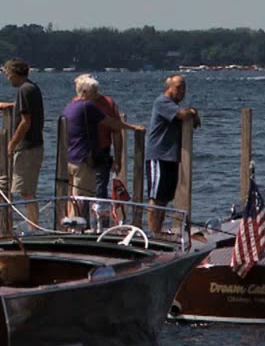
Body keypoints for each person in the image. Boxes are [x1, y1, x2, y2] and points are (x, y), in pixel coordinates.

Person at [62, 75, 142, 219]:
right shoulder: (88, 105)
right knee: (83, 196)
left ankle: (76, 223)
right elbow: (112, 123)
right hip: (85, 158)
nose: (97, 94)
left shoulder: (70, 106)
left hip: (71, 157)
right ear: (85, 92)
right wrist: (133, 127)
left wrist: (117, 158)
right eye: (94, 91)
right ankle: (77, 227)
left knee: (73, 195)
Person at [146, 75, 201, 234]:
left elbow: (192, 121)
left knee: (164, 198)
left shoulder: (175, 107)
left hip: (171, 157)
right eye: (178, 87)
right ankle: (153, 233)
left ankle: (158, 230)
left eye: (184, 87)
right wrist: (192, 111)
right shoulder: (162, 102)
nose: (182, 91)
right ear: (168, 87)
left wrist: (193, 113)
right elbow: (182, 115)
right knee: (156, 197)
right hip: (158, 155)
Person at [0, 59, 44, 225]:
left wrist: (12, 143)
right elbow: (26, 107)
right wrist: (10, 106)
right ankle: (33, 225)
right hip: (35, 145)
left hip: (27, 147)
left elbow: (25, 122)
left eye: (8, 74)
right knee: (26, 190)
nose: (8, 78)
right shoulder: (31, 88)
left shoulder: (23, 90)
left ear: (15, 74)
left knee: (26, 191)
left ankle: (34, 228)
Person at [89, 76, 124, 220]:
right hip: (81, 152)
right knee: (80, 189)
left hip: (102, 150)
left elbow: (116, 131)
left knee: (100, 189)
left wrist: (117, 158)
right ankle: (81, 223)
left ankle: (101, 224)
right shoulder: (78, 103)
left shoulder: (107, 103)